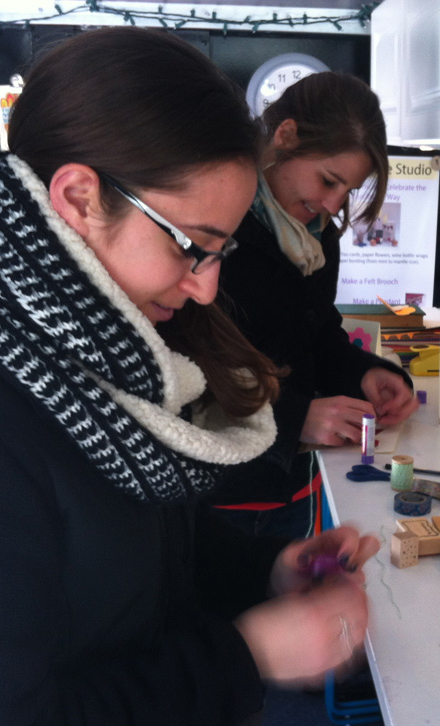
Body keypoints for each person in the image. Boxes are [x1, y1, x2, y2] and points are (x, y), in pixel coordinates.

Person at [0, 28, 379, 726]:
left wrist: (263, 568)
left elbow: (133, 522)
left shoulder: (72, 331)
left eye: (221, 250)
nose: (207, 288)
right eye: (191, 245)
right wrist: (250, 653)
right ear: (79, 197)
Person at [160, 72, 419, 538]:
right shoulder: (217, 227)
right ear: (286, 136)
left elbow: (318, 334)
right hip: (218, 490)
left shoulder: (318, 238)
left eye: (348, 191)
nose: (332, 204)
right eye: (327, 180)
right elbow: (184, 365)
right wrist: (294, 416)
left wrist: (366, 372)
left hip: (298, 478)